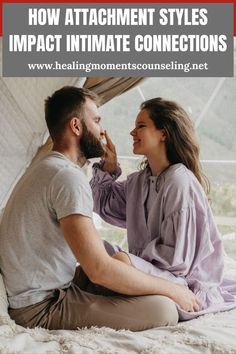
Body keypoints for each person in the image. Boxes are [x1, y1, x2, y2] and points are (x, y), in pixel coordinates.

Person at [0, 87, 199, 332]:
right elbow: (100, 270)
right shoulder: (67, 177)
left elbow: (98, 265)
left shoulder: (49, 167)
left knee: (131, 277)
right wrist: (174, 290)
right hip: (40, 306)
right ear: (76, 126)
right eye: (96, 120)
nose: (102, 130)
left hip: (48, 287)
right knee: (164, 309)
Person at [90, 97, 236, 321]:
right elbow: (105, 206)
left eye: (141, 126)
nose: (132, 132)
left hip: (182, 283)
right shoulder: (139, 180)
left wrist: (129, 263)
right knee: (97, 251)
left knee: (117, 263)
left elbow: (176, 260)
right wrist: (109, 166)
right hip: (153, 273)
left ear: (163, 133)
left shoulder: (179, 181)